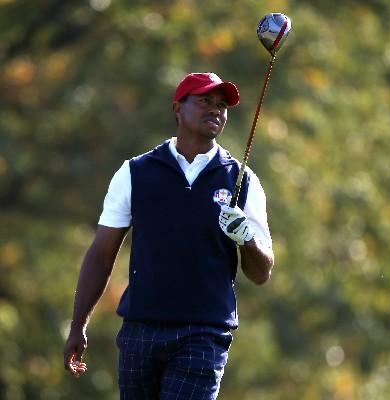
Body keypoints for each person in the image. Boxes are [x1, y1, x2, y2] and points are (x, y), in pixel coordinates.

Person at [63, 72, 275, 399]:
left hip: (204, 332)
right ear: (178, 107)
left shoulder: (242, 180)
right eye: (205, 101)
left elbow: (262, 272)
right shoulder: (135, 172)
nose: (215, 110)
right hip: (140, 330)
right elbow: (102, 254)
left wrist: (246, 239)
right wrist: (78, 326)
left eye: (221, 105)